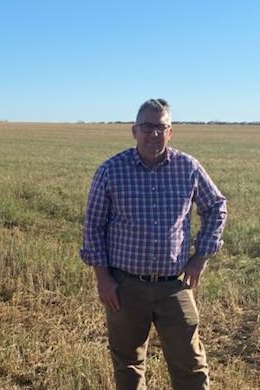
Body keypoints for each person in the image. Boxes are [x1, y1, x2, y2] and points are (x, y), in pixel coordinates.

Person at [80, 98, 227, 390]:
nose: (153, 134)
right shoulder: (111, 170)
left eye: (161, 127)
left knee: (191, 365)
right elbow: (93, 227)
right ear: (134, 131)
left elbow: (217, 207)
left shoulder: (188, 167)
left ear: (170, 132)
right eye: (147, 127)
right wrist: (103, 279)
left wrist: (200, 258)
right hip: (125, 287)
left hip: (175, 286)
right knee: (129, 366)